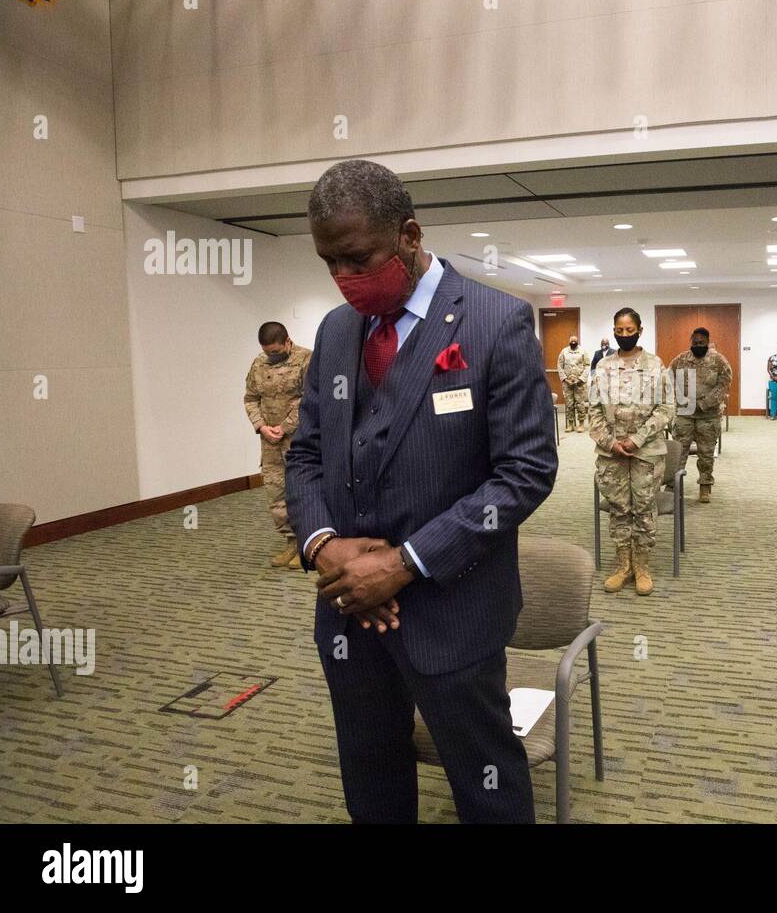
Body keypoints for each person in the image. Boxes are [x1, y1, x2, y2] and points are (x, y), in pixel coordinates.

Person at [286, 159, 558, 824]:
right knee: (371, 775)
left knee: (486, 782)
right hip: (348, 610)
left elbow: (525, 471)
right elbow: (307, 455)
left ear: (408, 235)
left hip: (451, 610)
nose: (345, 279)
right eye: (330, 264)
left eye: (358, 259)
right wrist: (327, 548)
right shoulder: (335, 331)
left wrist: (403, 563)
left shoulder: (496, 323)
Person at [587, 308, 676, 595]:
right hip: (611, 453)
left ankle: (642, 567)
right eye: (619, 330)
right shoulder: (602, 367)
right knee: (619, 509)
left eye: (629, 330)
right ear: (613, 330)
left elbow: (666, 409)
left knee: (643, 508)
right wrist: (610, 443)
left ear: (640, 330)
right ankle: (623, 565)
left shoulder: (655, 365)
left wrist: (636, 439)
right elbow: (594, 411)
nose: (624, 335)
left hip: (645, 452)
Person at [243, 322, 312, 568]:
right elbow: (251, 398)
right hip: (270, 442)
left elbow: (311, 399)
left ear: (287, 342)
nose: (271, 356)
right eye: (267, 352)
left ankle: (308, 546)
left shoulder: (306, 359)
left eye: (275, 351)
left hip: (299, 441)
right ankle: (291, 543)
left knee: (302, 492)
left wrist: (285, 427)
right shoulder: (258, 364)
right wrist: (262, 426)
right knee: (276, 494)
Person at [669, 327, 733, 503]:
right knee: (678, 452)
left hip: (708, 416)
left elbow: (725, 383)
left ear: (707, 342)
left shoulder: (718, 360)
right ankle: (673, 485)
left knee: (706, 453)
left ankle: (704, 485)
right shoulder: (680, 360)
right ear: (691, 341)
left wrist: (706, 403)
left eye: (702, 343)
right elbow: (668, 379)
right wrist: (680, 397)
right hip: (685, 415)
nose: (698, 345)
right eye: (695, 343)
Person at [557, 334, 591, 432]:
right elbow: (559, 365)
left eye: (574, 341)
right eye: (571, 341)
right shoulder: (564, 352)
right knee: (569, 403)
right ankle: (570, 424)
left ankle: (581, 424)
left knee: (580, 403)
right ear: (569, 342)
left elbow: (587, 366)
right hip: (567, 383)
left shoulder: (583, 352)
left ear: (577, 341)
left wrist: (580, 379)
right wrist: (564, 379)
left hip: (579, 383)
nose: (573, 343)